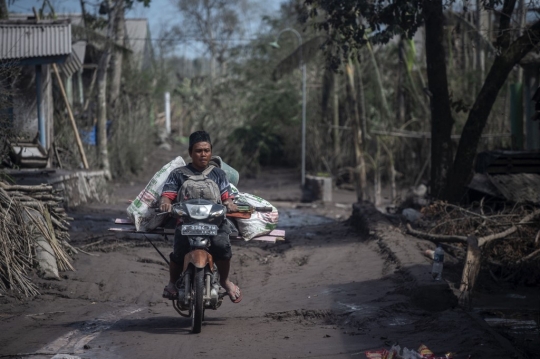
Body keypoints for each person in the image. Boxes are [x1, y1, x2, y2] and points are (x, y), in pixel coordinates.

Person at [159, 131, 242, 303]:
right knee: (178, 251)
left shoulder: (219, 174)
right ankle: (172, 283)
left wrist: (230, 204)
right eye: (198, 151)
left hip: (215, 223)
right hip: (186, 222)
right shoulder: (178, 174)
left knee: (223, 247)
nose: (203, 154)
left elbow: (227, 197)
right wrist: (165, 203)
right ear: (190, 152)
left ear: (211, 151)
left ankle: (225, 282)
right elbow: (167, 195)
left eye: (206, 150)